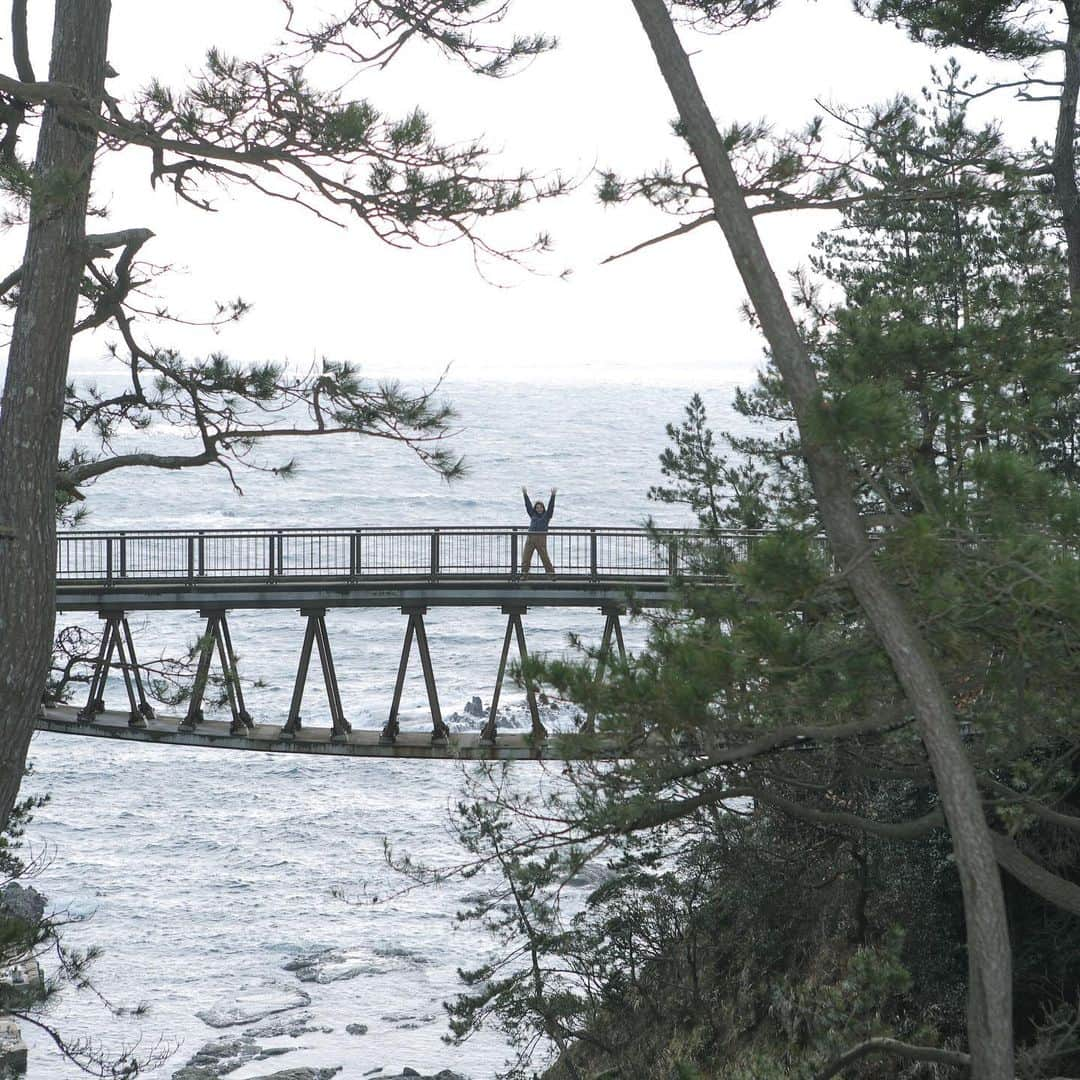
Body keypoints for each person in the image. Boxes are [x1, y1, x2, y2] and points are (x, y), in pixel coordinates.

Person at [521, 486, 556, 576]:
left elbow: (551, 507)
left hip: (541, 538)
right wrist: (525, 494)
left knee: (545, 558)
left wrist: (553, 496)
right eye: (537, 508)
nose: (539, 509)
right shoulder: (533, 514)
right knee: (526, 558)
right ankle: (524, 575)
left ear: (543, 508)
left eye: (540, 507)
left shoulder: (547, 515)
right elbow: (528, 506)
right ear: (535, 509)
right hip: (530, 538)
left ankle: (551, 575)